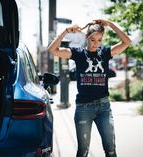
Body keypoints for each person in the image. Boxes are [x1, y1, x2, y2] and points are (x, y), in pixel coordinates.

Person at [47, 19, 131, 157]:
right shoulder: (78, 53)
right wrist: (66, 31)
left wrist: (110, 24)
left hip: (104, 107)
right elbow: (52, 49)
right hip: (83, 108)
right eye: (93, 40)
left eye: (99, 40)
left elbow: (127, 42)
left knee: (111, 150)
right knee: (83, 151)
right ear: (87, 37)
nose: (96, 44)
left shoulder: (105, 52)